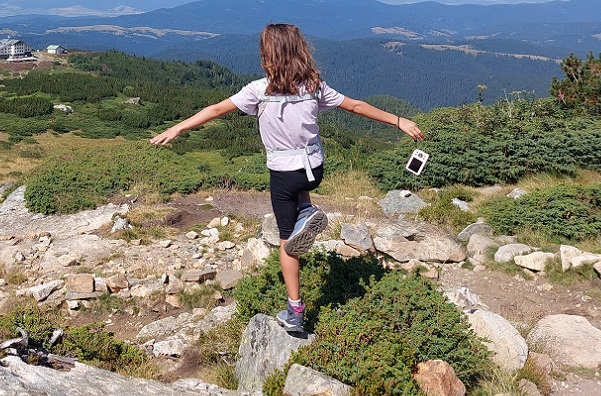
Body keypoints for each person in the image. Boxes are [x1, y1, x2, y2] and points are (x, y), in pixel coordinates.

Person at [151, 23, 423, 334]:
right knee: (300, 196)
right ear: (299, 51)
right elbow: (356, 107)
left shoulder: (258, 92)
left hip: (284, 174)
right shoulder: (314, 87)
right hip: (314, 170)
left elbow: (215, 110)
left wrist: (178, 128)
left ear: (267, 56)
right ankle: (307, 211)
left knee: (287, 244)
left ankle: (295, 310)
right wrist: (399, 121)